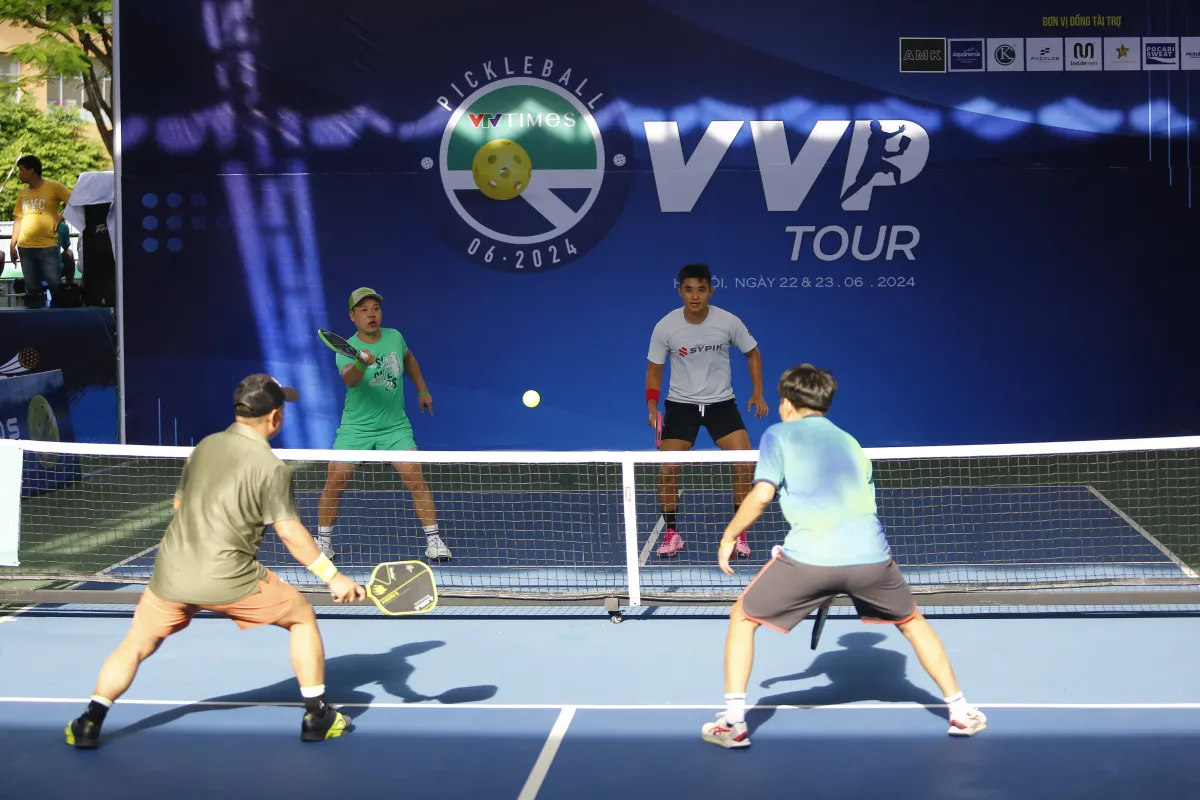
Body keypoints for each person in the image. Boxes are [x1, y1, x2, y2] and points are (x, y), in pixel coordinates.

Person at [65, 374, 366, 749]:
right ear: (275, 417)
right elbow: (289, 532)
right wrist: (333, 576)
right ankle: (318, 716)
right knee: (302, 616)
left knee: (137, 643)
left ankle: (90, 721)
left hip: (171, 573)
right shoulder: (272, 468)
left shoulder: (204, 447)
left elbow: (180, 505)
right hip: (230, 579)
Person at [700, 364, 988, 748]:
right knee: (912, 622)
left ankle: (733, 723)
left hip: (808, 561)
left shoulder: (777, 435)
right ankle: (961, 711)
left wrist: (729, 536)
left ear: (786, 403)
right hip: (870, 558)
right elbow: (857, 507)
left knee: (742, 616)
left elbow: (763, 494)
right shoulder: (851, 442)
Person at [316, 287, 452, 562]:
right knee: (335, 482)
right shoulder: (346, 349)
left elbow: (408, 358)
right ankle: (323, 543)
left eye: (375, 309)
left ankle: (434, 541)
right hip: (356, 429)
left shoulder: (395, 337)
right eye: (364, 310)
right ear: (352, 316)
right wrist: (360, 362)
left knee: (415, 479)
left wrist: (422, 390)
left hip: (395, 427)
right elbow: (350, 380)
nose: (371, 314)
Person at [645, 264, 768, 558]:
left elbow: (752, 353)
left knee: (744, 466)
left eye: (701, 289)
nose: (695, 296)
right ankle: (672, 534)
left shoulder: (728, 322)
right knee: (667, 471)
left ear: (710, 291)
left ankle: (738, 535)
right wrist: (652, 406)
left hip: (721, 405)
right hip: (681, 406)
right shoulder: (666, 327)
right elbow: (654, 370)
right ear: (680, 291)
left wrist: (758, 393)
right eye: (689, 290)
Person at [8, 155, 72, 308]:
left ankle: (59, 318)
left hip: (47, 246)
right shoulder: (22, 193)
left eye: (21, 170)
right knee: (32, 290)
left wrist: (60, 218)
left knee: (55, 286)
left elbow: (74, 202)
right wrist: (12, 244)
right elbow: (18, 219)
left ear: (31, 171)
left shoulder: (54, 186)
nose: (19, 174)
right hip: (25, 247)